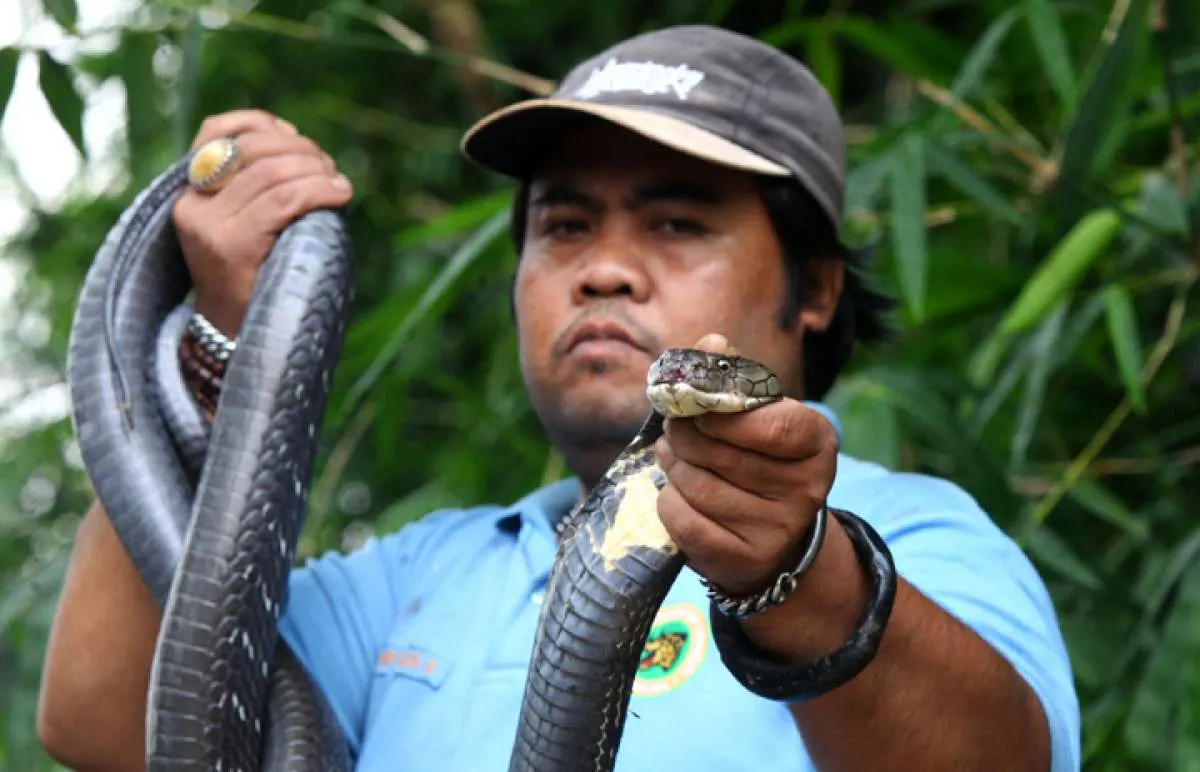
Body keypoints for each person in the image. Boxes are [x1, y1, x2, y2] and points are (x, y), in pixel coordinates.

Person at [37, 23, 1080, 772]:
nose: (604, 270)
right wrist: (227, 343)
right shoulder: (417, 577)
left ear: (815, 289)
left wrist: (798, 576)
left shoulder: (919, 540)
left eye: (676, 223)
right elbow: (114, 726)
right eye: (565, 226)